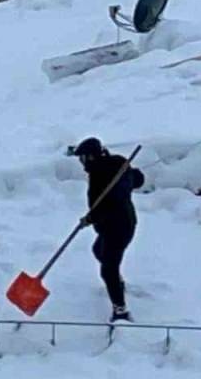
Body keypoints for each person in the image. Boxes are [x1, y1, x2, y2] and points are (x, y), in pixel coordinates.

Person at [72, 137, 144, 322]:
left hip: (118, 228)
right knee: (98, 250)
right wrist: (131, 176)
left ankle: (120, 311)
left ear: (91, 157)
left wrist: (90, 218)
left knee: (108, 269)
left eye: (83, 159)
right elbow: (138, 179)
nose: (82, 164)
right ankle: (117, 283)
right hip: (114, 225)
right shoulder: (117, 165)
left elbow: (108, 204)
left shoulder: (103, 174)